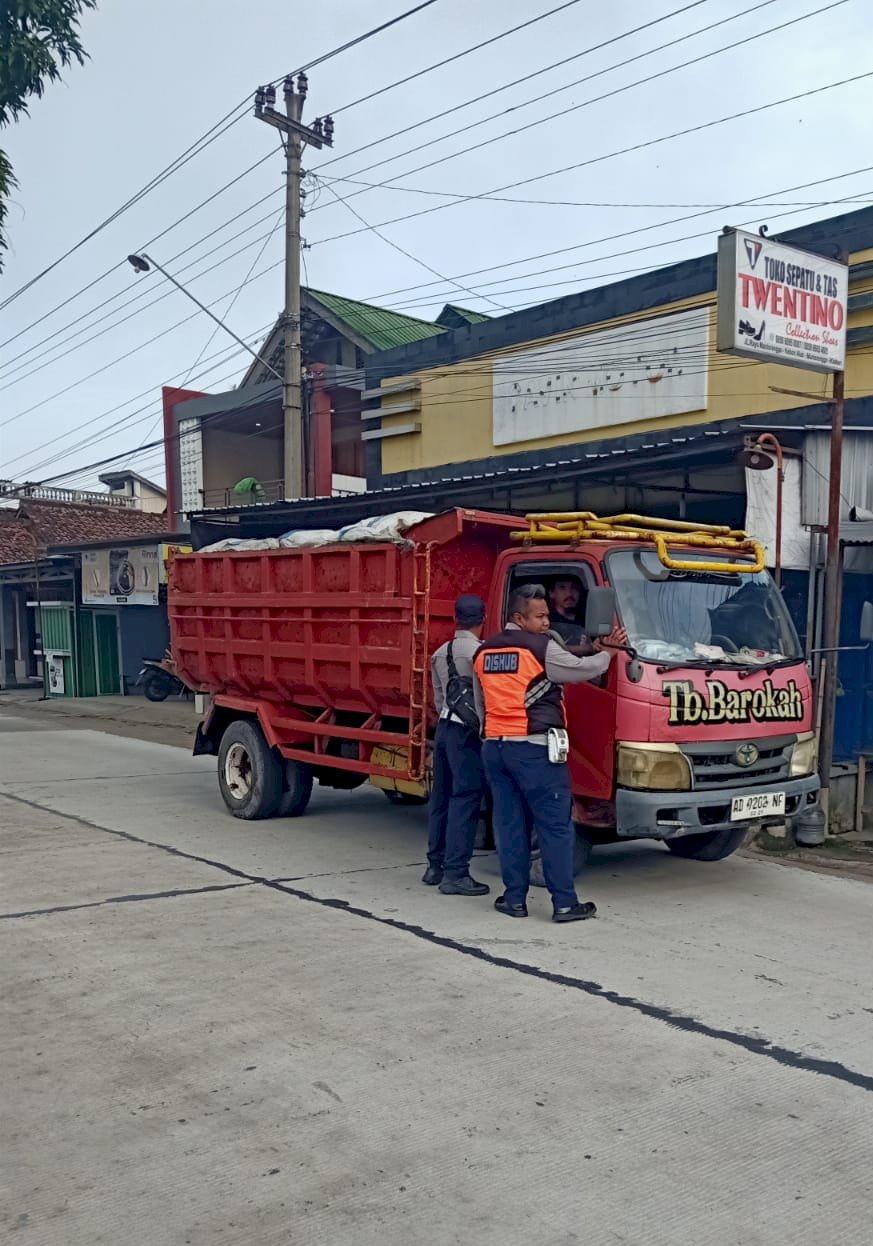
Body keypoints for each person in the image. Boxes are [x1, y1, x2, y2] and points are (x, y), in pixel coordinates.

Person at [473, 583, 626, 922]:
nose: (546, 623)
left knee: (510, 825)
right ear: (518, 617)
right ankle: (564, 904)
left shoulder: (484, 652)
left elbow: (480, 704)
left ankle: (514, 900)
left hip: (496, 749)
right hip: (535, 750)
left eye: (546, 616)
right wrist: (608, 653)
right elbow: (585, 670)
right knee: (555, 827)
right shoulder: (540, 648)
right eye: (540, 616)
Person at [424, 594, 490, 897]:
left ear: (455, 619)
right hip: (466, 733)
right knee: (465, 799)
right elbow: (482, 698)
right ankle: (456, 873)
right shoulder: (481, 653)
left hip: (444, 729)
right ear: (483, 619)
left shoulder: (439, 653)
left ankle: (434, 866)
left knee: (441, 798)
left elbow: (438, 699)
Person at [547, 577, 594, 653]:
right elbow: (549, 650)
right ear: (552, 593)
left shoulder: (590, 618)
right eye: (562, 588)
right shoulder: (546, 622)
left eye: (574, 587)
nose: (569, 593)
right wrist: (588, 648)